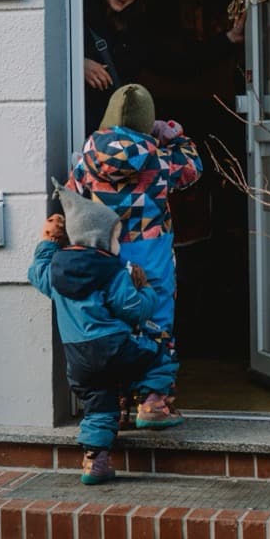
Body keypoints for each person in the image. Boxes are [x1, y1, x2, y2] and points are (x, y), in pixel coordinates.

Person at [68, 83, 200, 428]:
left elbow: (71, 199)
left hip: (106, 252)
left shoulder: (85, 159)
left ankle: (120, 404)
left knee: (116, 322)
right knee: (157, 322)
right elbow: (192, 169)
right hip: (150, 251)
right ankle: (154, 403)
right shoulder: (157, 158)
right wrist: (173, 136)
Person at [27, 180, 170, 485]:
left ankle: (95, 461)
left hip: (78, 360)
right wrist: (145, 289)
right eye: (116, 238)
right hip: (114, 348)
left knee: (97, 403)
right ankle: (152, 404)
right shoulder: (112, 272)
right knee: (159, 348)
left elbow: (35, 273)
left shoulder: (55, 269)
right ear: (100, 239)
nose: (118, 244)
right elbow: (135, 309)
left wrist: (48, 242)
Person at [82, 0, 245, 134]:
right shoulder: (73, 7)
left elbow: (177, 62)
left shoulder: (136, 28)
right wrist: (79, 65)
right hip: (77, 127)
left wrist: (228, 39)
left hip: (114, 135)